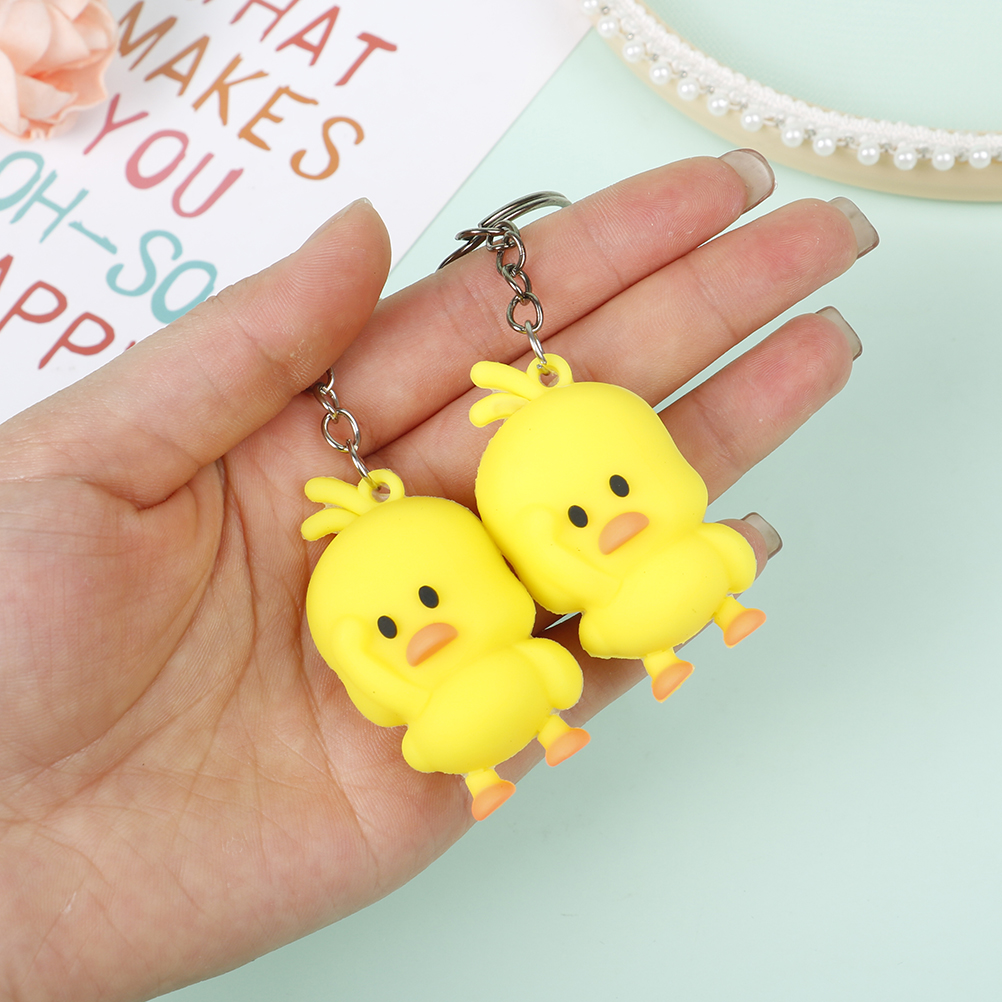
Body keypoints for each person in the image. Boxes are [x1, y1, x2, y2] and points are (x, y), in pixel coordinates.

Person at [0, 151, 876, 1002]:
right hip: (488, 691)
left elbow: (594, 548)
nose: (422, 624)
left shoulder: (535, 507)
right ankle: (635, 666)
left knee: (583, 648)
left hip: (611, 602)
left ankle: (666, 644)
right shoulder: (401, 599)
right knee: (562, 664)